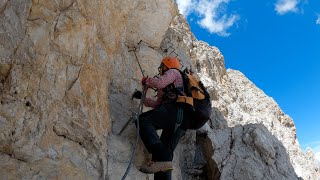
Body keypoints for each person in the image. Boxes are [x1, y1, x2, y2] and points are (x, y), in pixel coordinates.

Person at [132, 57, 195, 178]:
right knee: (164, 160)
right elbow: (156, 104)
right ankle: (162, 161)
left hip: (175, 111)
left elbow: (159, 82)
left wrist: (147, 81)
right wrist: (142, 98)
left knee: (142, 120)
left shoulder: (174, 72)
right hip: (182, 121)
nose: (160, 70)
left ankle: (161, 155)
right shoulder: (172, 88)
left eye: (162, 67)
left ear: (166, 66)